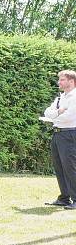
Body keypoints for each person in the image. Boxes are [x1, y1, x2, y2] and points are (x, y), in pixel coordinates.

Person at [43, 70, 76, 209]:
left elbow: (69, 116)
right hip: (57, 134)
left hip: (69, 134)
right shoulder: (60, 98)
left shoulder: (74, 97)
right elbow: (47, 112)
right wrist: (58, 112)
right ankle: (64, 197)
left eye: (62, 80)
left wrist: (54, 116)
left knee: (70, 167)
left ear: (71, 81)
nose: (59, 82)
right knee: (59, 167)